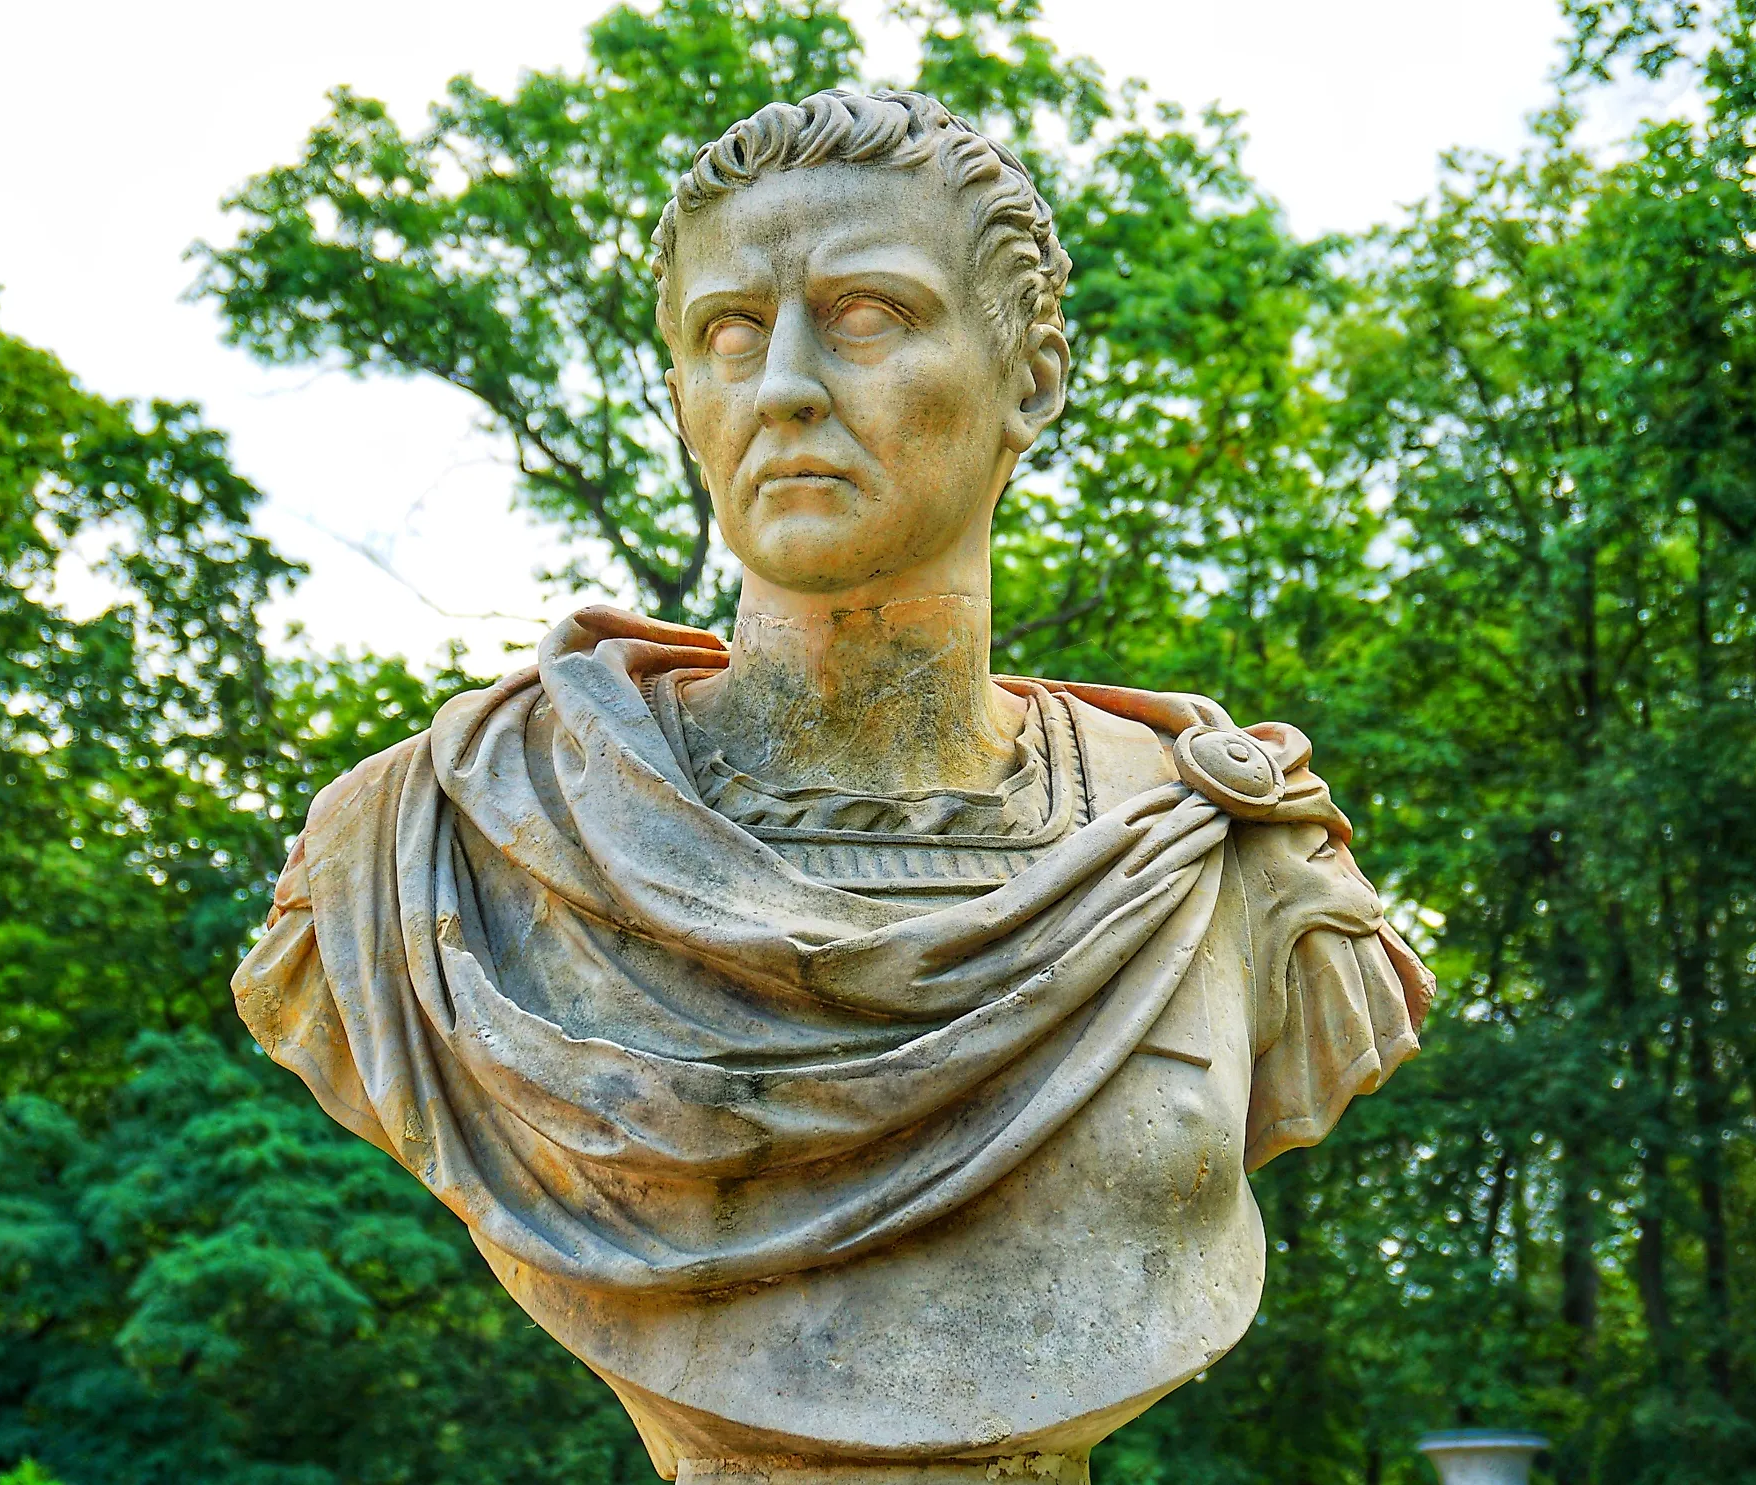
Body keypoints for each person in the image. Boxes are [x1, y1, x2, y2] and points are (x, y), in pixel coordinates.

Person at [233, 88, 1430, 1484]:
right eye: (730, 334)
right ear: (683, 399)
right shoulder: (440, 842)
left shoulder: (1227, 858)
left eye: (866, 316)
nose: (785, 386)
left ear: (1031, 380)